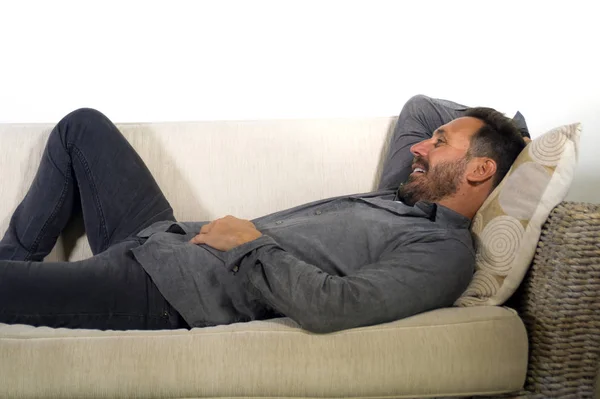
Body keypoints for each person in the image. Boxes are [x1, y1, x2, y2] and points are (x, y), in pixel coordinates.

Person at [0, 95, 528, 333]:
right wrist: (514, 132)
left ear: (479, 171)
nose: (419, 147)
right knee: (81, 127)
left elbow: (337, 308)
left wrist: (249, 242)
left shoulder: (441, 253)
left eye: (439, 143)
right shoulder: (406, 193)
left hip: (166, 292)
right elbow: (420, 106)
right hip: (161, 238)